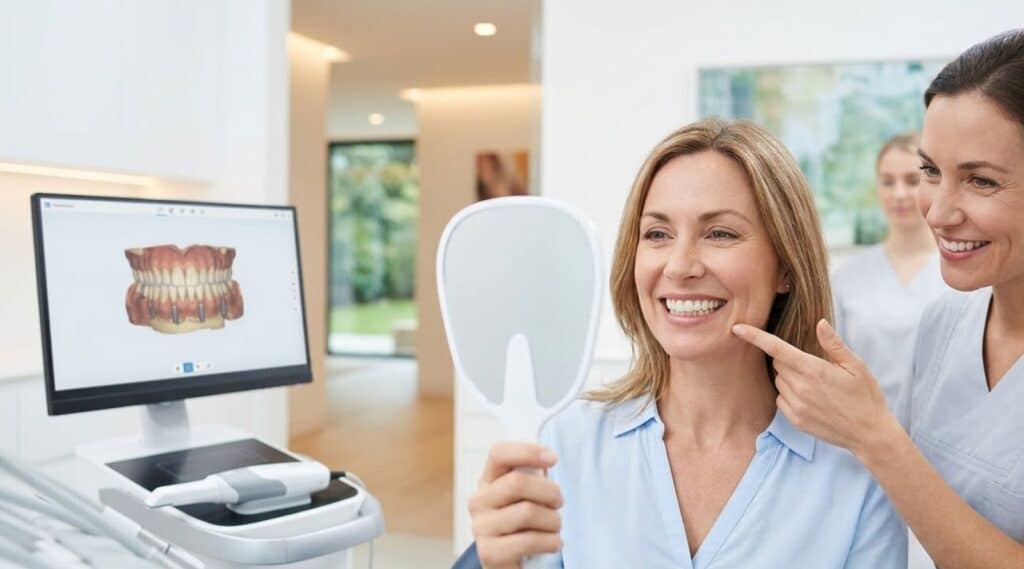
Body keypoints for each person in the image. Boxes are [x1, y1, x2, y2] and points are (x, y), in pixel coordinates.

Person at [454, 118, 907, 568]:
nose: (679, 266)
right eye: (657, 234)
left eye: (720, 233)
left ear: (786, 267)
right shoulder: (564, 445)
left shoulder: (855, 476)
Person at [733, 29, 1024, 569]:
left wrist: (875, 437)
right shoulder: (943, 325)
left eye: (981, 181)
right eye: (931, 171)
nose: (938, 211)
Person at [831, 132, 948, 406]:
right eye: (888, 182)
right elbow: (833, 365)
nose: (899, 194)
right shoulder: (848, 277)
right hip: (859, 424)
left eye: (912, 180)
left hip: (940, 425)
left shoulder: (962, 275)